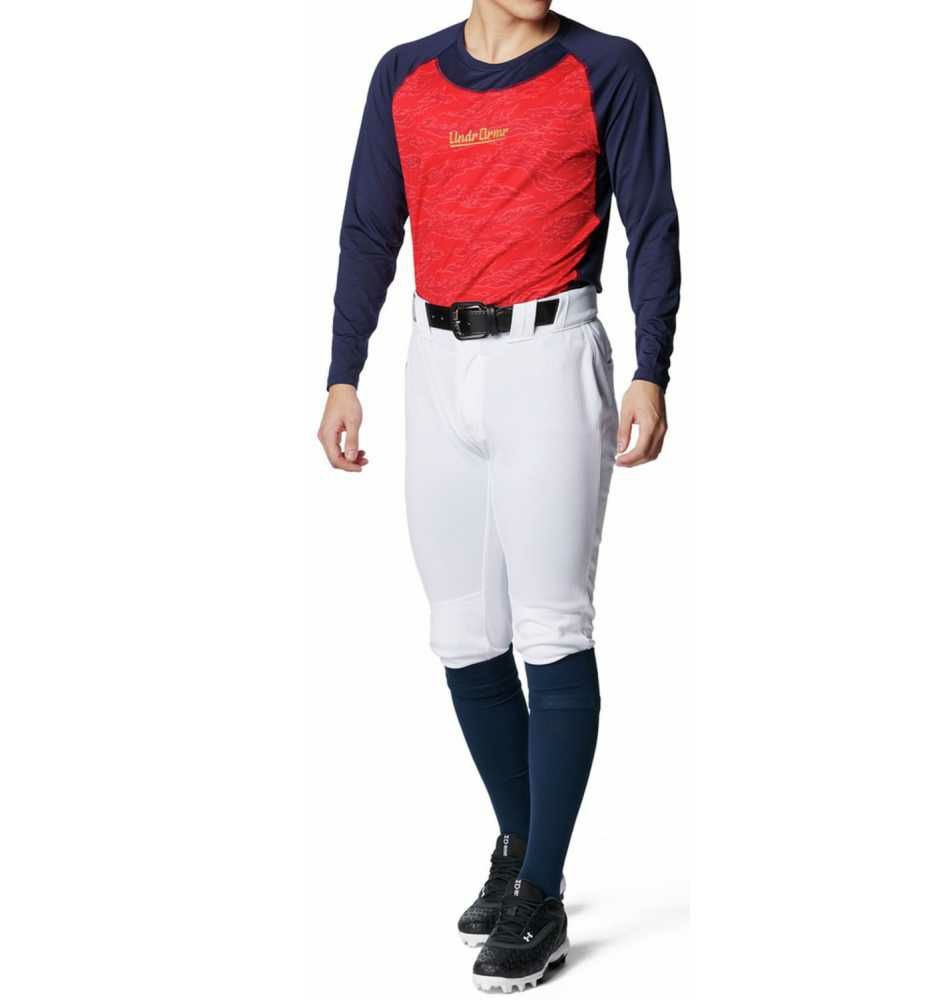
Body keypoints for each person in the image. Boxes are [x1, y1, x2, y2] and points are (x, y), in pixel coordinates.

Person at [317, 1, 679, 990]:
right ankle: (521, 844)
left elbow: (650, 223)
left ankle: (542, 891)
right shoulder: (404, 74)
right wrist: (342, 371)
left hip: (549, 355)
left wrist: (652, 368)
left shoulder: (608, 68)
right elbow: (368, 227)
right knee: (463, 631)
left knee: (552, 624)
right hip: (436, 360)